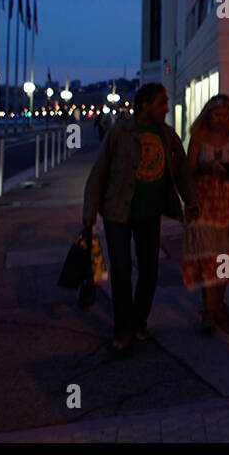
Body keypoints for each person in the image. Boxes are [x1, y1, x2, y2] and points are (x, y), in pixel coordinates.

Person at [83, 82, 200, 353]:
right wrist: (89, 212)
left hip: (150, 213)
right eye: (162, 102)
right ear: (145, 105)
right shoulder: (119, 132)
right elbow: (99, 173)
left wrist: (192, 200)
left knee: (149, 271)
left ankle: (139, 320)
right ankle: (123, 329)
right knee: (121, 269)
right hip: (117, 213)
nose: (167, 108)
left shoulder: (168, 136)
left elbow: (182, 173)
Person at [184, 93, 229, 333]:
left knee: (224, 255)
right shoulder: (199, 136)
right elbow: (189, 167)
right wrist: (207, 167)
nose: (221, 119)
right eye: (217, 114)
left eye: (225, 114)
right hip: (206, 201)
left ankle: (218, 303)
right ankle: (208, 309)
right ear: (208, 115)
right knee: (206, 254)